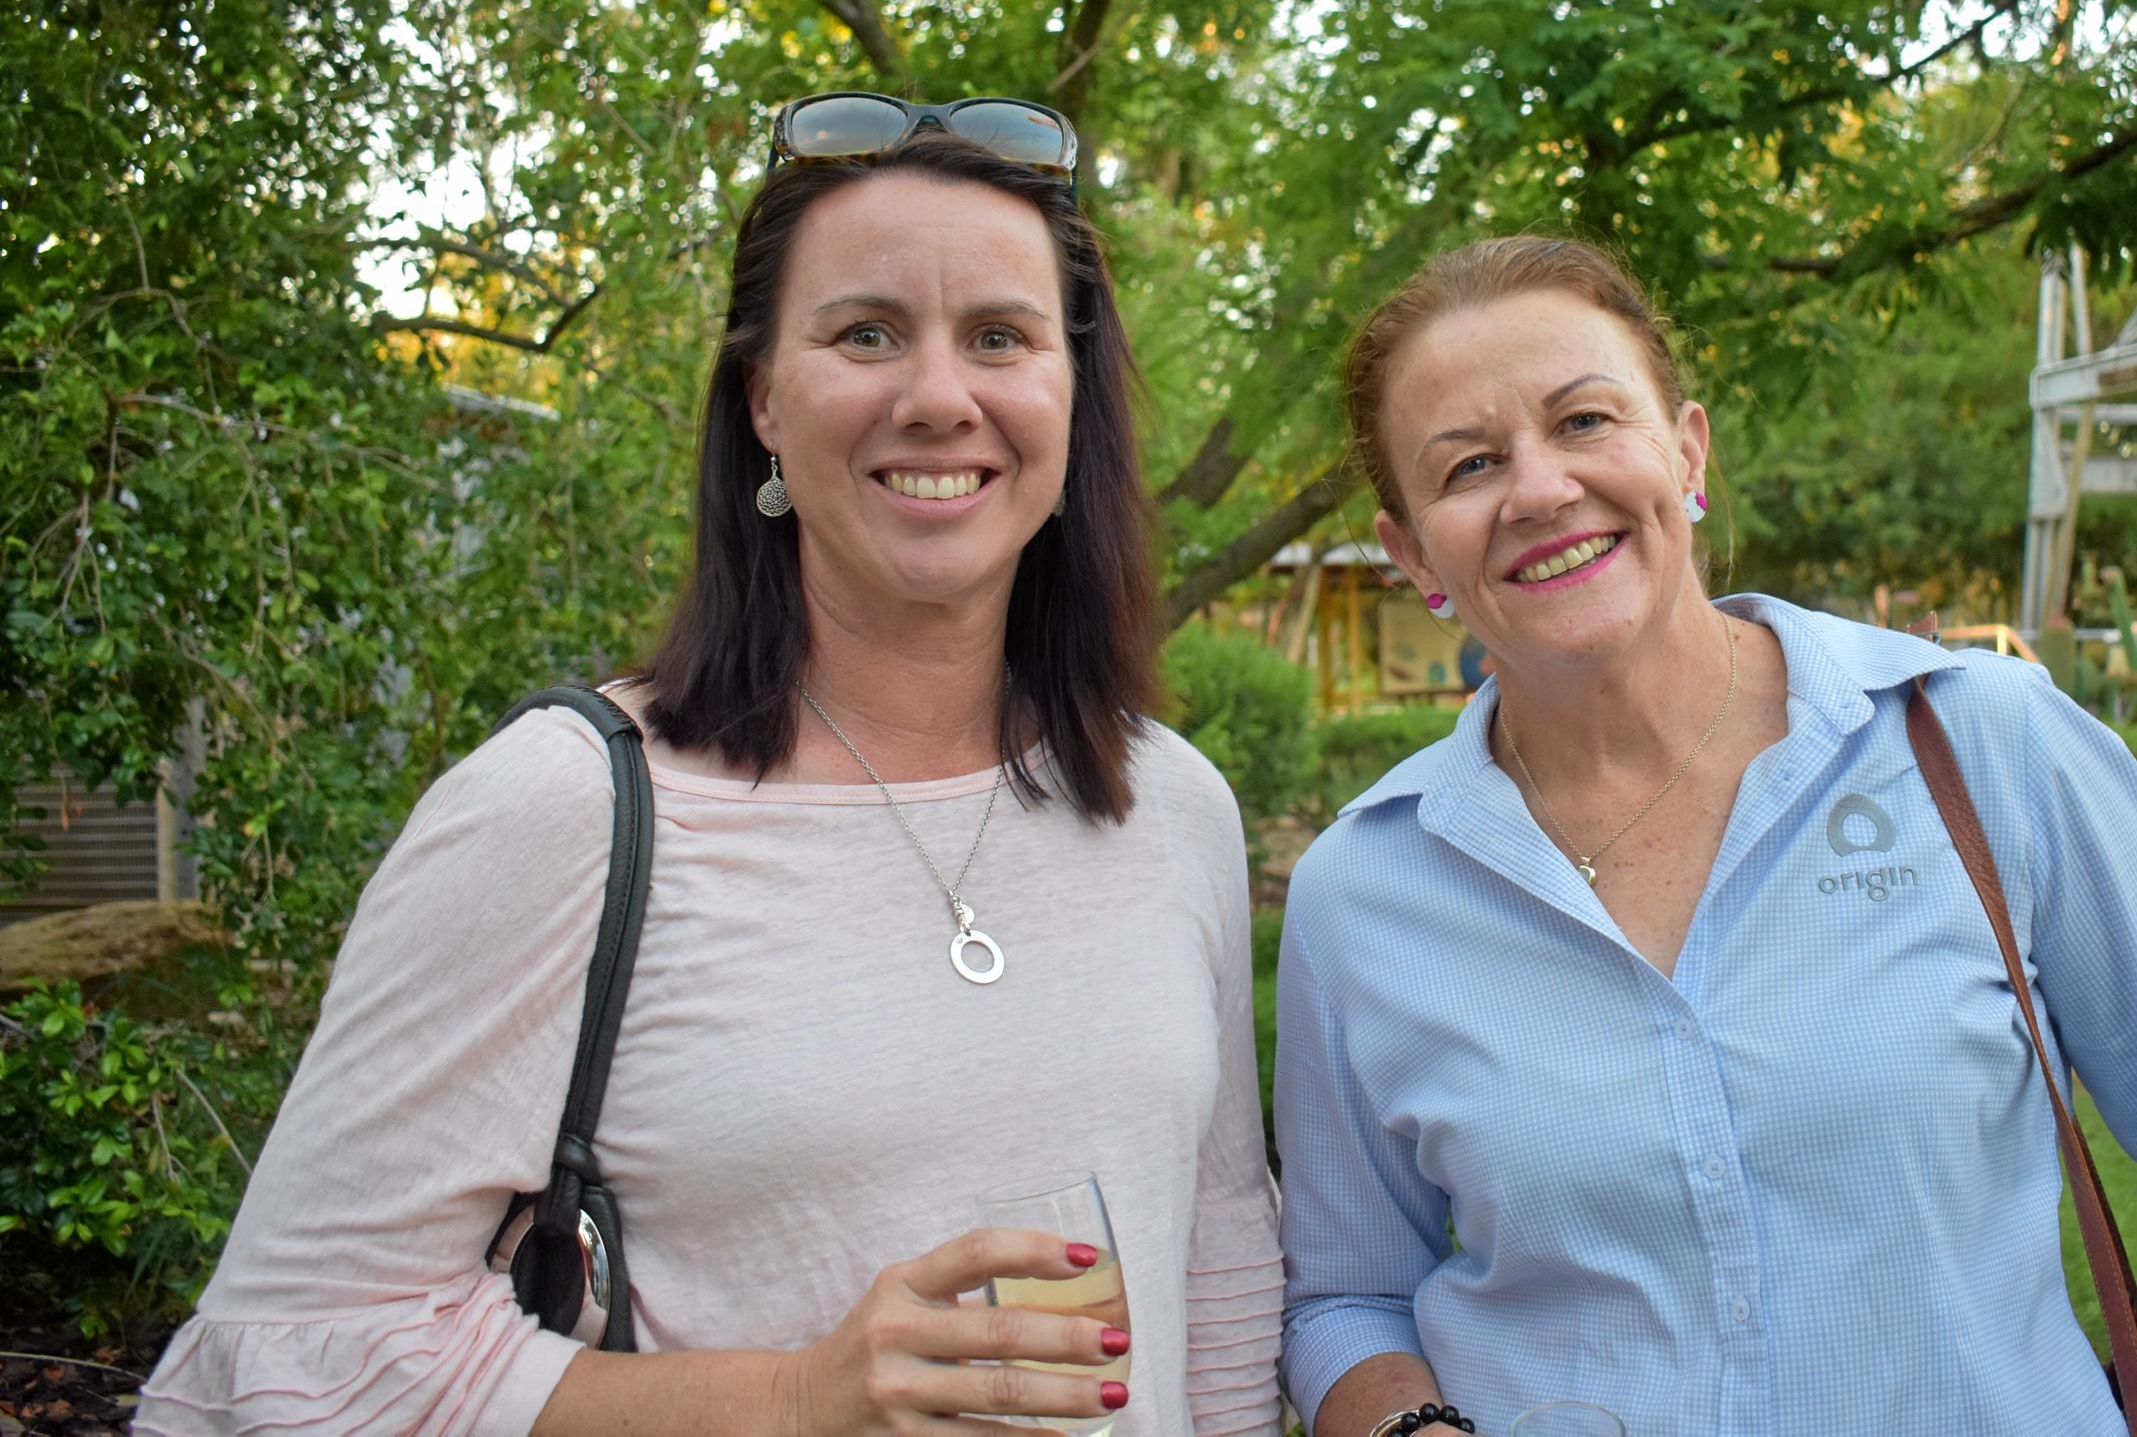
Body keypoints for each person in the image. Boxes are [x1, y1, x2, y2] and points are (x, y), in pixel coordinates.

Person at [139, 99, 1283, 1435]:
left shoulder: (1170, 806)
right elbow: (279, 1354)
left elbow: (1218, 1269)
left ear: (1067, 394)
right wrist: (794, 1394)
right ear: (762, 401)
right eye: (865, 332)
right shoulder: (567, 808)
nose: (936, 396)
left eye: (998, 336)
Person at [1274, 236, 2137, 1437]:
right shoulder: (1364, 890)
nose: (1538, 489)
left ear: (1685, 453)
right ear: (1412, 552)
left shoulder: (1980, 746)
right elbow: (1347, 1299)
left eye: (1585, 421)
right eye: (1470, 464)